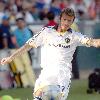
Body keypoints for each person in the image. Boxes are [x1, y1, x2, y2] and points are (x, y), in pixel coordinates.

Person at [1, 8, 100, 100]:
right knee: (37, 97)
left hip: (62, 75)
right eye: (64, 19)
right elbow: (28, 46)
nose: (66, 23)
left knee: (55, 97)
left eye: (69, 21)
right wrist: (11, 57)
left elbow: (93, 42)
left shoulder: (75, 36)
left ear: (72, 22)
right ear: (60, 18)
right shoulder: (46, 32)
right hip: (46, 73)